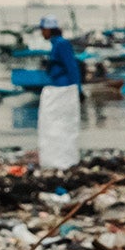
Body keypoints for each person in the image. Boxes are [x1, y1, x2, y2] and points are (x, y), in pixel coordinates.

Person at [36, 15, 81, 171]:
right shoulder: (56, 45)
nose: (42, 33)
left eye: (43, 29)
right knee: (56, 126)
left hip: (65, 89)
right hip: (58, 89)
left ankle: (63, 159)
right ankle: (57, 158)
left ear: (49, 29)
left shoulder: (62, 44)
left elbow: (71, 66)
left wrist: (77, 89)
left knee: (62, 125)